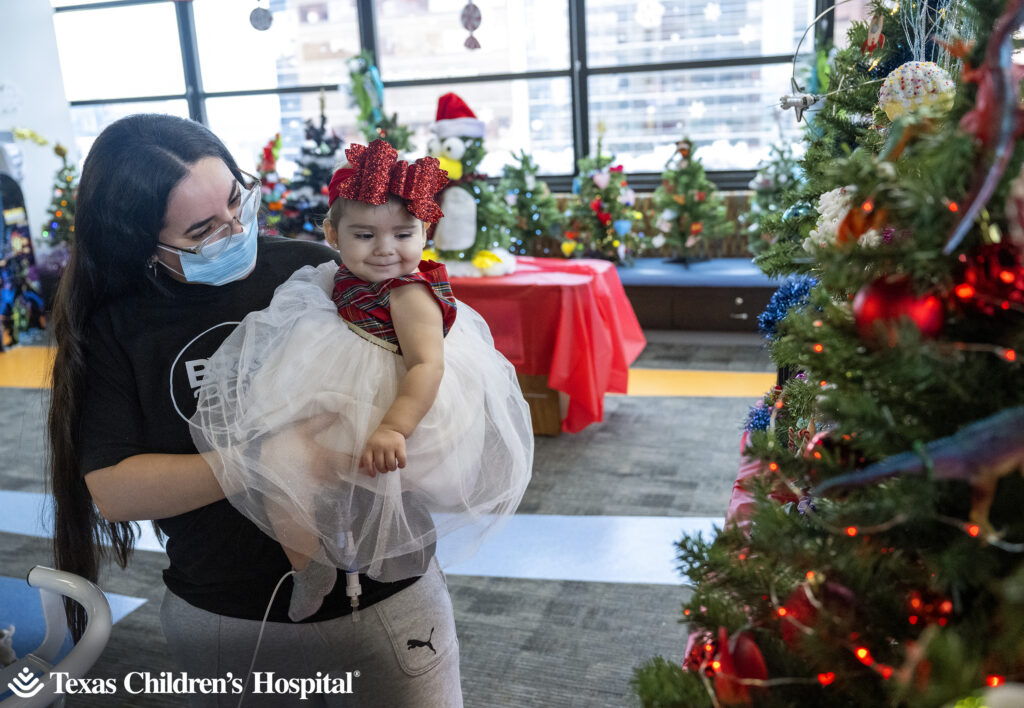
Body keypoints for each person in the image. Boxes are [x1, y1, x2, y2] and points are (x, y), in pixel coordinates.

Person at [47, 115, 464, 706]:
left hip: (387, 599)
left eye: (238, 201)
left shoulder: (315, 270)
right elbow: (115, 491)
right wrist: (266, 461)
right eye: (203, 230)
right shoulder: (114, 326)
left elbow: (416, 384)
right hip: (233, 621)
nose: (236, 229)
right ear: (140, 241)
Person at [189, 138, 533, 624]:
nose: (386, 250)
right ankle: (308, 564)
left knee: (322, 473)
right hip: (346, 382)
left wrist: (393, 428)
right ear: (333, 234)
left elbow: (426, 366)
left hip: (400, 406)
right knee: (280, 463)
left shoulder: (411, 294)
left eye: (403, 234)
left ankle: (356, 573)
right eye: (365, 235)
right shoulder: (331, 279)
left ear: (425, 231)